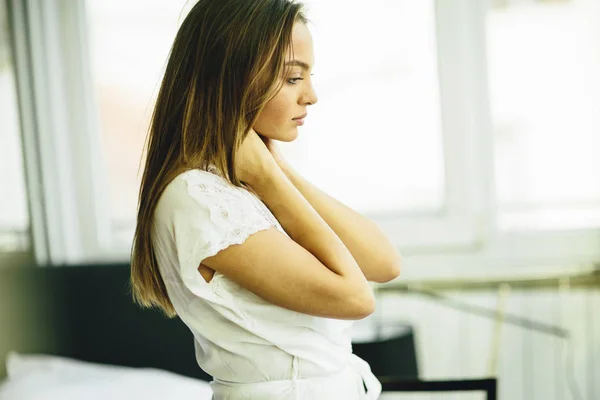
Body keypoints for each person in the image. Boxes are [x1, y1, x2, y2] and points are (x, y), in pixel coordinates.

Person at [130, 0, 402, 398]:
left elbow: (384, 262)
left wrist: (276, 169)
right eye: (294, 78)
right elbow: (356, 297)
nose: (311, 95)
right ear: (232, 76)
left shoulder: (244, 180)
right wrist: (270, 179)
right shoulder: (195, 197)